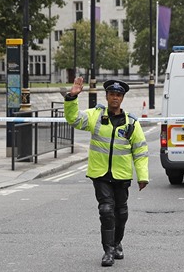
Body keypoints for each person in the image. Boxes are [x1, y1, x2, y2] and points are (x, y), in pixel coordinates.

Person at [64, 77, 149, 267]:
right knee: (106, 211)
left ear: (122, 98)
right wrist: (71, 97)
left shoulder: (131, 123)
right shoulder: (96, 116)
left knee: (121, 213)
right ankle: (108, 251)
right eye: (112, 94)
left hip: (121, 175)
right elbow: (73, 119)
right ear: (107, 96)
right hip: (101, 174)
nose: (115, 98)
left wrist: (142, 176)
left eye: (118, 95)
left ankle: (117, 242)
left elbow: (141, 151)